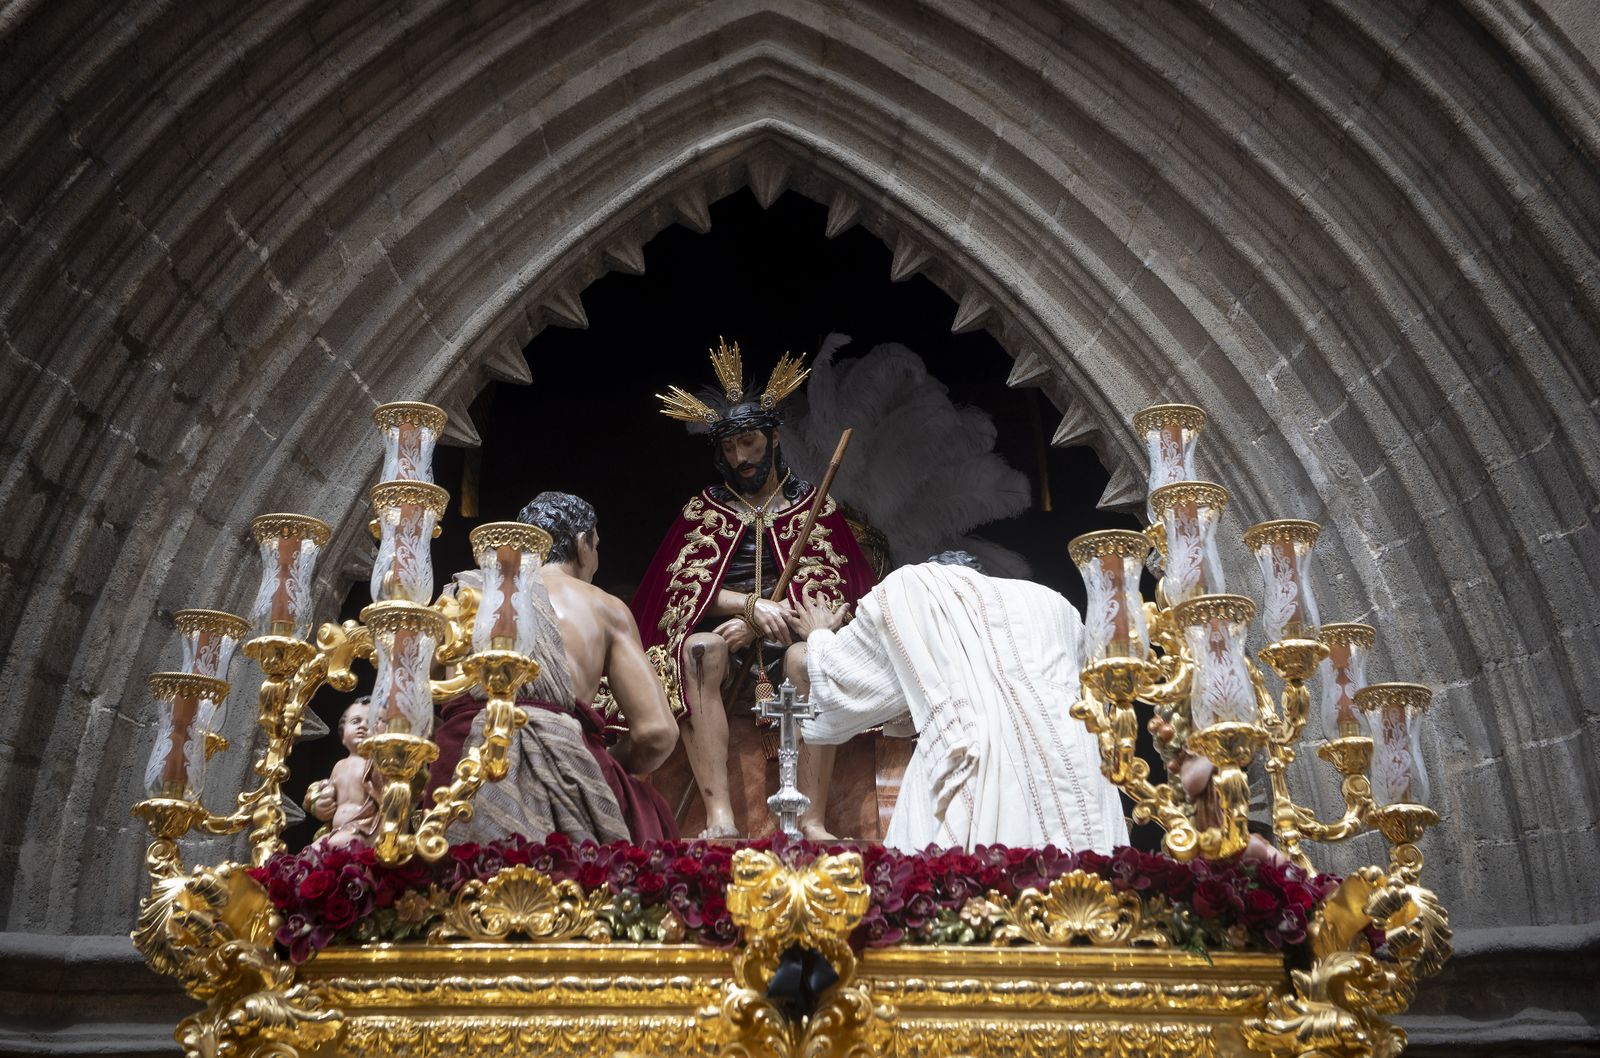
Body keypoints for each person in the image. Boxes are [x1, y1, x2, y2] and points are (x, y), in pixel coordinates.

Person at [631, 339, 878, 839]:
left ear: (774, 437)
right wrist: (747, 607)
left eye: (749, 443)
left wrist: (770, 622)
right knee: (699, 651)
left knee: (809, 659)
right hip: (726, 646)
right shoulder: (703, 510)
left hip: (793, 642)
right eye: (728, 448)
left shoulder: (815, 509)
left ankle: (811, 819)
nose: (740, 458)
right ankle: (720, 817)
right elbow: (676, 592)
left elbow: (836, 598)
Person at [785, 552, 1128, 853]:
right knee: (1089, 894)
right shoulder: (1057, 605)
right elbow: (1103, 696)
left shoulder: (916, 589)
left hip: (987, 761)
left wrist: (818, 635)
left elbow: (833, 680)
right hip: (1081, 768)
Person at [430, 493, 680, 844]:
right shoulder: (605, 608)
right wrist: (596, 760)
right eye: (596, 547)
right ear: (582, 544)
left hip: (461, 772)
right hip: (571, 770)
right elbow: (657, 733)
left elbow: (412, 698)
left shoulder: (463, 595)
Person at [305, 698, 384, 846]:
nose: (362, 726)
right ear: (342, 735)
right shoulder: (339, 766)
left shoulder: (376, 765)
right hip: (336, 830)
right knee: (313, 848)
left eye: (370, 722)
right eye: (355, 721)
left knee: (337, 843)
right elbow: (326, 793)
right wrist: (321, 806)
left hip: (363, 829)